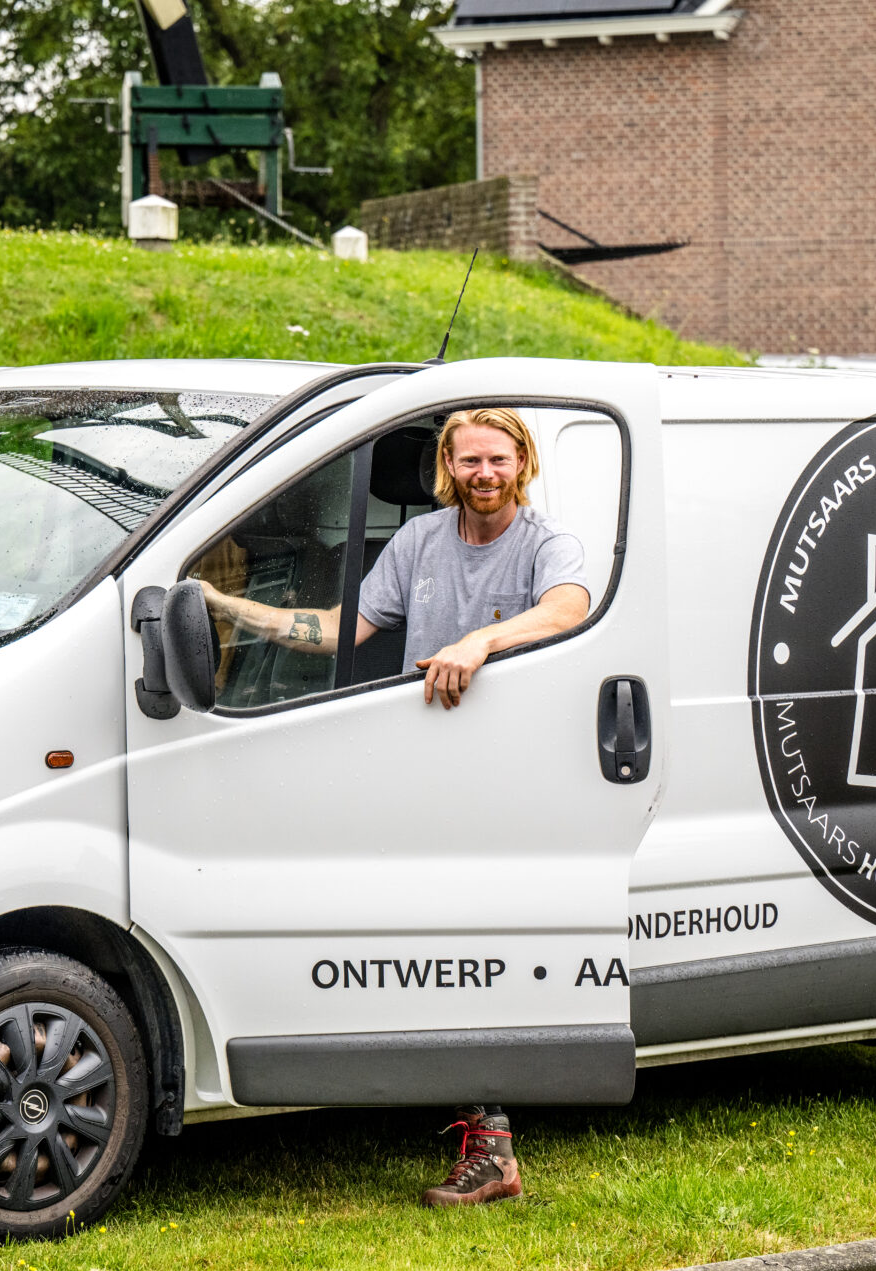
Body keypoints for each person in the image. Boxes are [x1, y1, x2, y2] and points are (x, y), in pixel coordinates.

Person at [201, 406, 592, 1206]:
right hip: (425, 771)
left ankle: (493, 1149)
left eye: (498, 459)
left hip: (510, 781)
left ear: (523, 462)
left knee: (472, 950)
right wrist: (231, 607)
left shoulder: (545, 541)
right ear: (447, 467)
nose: (485, 474)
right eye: (469, 460)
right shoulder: (418, 541)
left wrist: (479, 641)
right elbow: (340, 628)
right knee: (425, 943)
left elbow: (570, 608)